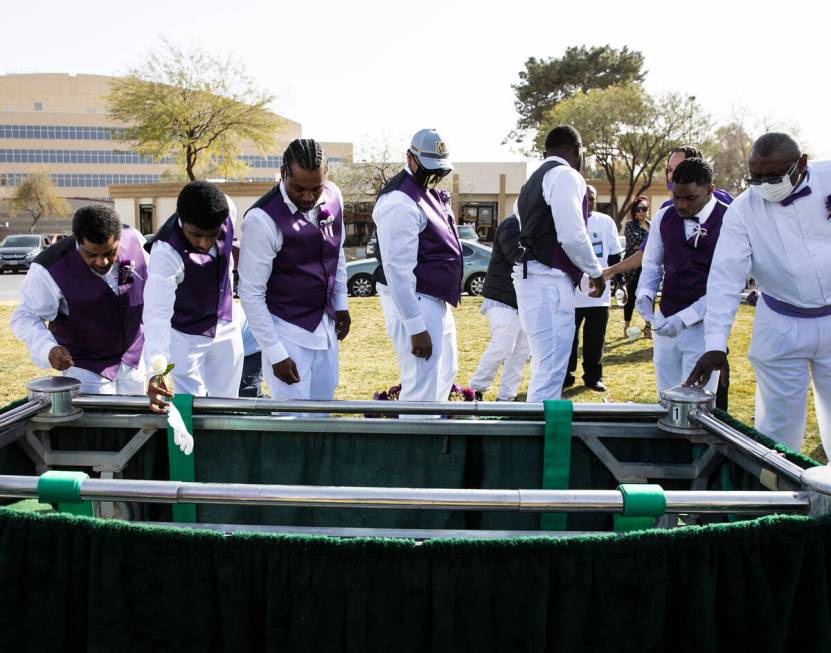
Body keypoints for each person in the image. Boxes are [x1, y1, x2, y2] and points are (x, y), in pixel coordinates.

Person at [687, 133, 831, 455]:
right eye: (756, 176)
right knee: (778, 430)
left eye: (774, 176)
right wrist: (714, 345)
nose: (764, 184)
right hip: (781, 323)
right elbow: (724, 279)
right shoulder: (741, 211)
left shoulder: (828, 177)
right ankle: (778, 495)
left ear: (802, 164)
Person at [238, 138, 350, 401]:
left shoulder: (334, 196)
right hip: (287, 332)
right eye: (299, 189)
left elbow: (338, 251)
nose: (308, 197)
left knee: (324, 411)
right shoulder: (261, 220)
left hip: (325, 327)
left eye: (316, 188)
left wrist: (341, 302)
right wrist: (276, 352)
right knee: (291, 419)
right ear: (283, 172)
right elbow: (251, 293)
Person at [10, 205, 147, 394]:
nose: (102, 262)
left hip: (134, 359)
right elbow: (24, 316)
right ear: (77, 241)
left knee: (135, 419)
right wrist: (47, 348)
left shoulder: (135, 241)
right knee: (99, 421)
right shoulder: (49, 268)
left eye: (110, 253)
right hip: (86, 365)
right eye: (91, 255)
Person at [513, 125, 604, 403]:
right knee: (551, 370)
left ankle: (533, 436)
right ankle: (538, 441)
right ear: (577, 151)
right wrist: (595, 272)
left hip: (532, 277)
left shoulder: (531, 183)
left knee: (544, 366)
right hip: (548, 280)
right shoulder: (565, 175)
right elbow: (572, 235)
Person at [372, 129, 462, 403]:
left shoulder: (425, 191)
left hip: (433, 299)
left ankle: (439, 438)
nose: (434, 179)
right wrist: (415, 326)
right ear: (410, 159)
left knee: (446, 373)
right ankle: (418, 443)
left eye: (440, 173)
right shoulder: (399, 199)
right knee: (422, 383)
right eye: (429, 171)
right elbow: (397, 269)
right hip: (416, 300)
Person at [142, 181, 243, 413]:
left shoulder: (227, 208)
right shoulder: (165, 252)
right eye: (196, 234)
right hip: (183, 336)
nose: (205, 243)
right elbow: (157, 314)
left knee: (229, 406)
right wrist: (156, 371)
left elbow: (227, 265)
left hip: (225, 322)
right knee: (185, 410)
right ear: (182, 219)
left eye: (213, 235)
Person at [637, 157, 725, 395]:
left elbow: (727, 285)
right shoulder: (664, 217)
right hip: (666, 318)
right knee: (665, 396)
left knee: (698, 402)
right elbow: (652, 265)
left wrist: (686, 317)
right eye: (677, 197)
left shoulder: (729, 219)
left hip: (705, 326)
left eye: (690, 198)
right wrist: (644, 295)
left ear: (709, 190)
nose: (681, 205)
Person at [566, 185, 624, 391]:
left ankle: (592, 376)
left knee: (595, 338)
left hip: (599, 294)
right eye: (585, 199)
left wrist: (619, 280)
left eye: (592, 199)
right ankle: (566, 375)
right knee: (569, 337)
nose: (589, 203)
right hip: (572, 292)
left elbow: (615, 254)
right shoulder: (569, 220)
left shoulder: (605, 222)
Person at [468, 214, 529, 401]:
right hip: (502, 297)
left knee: (521, 352)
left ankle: (506, 397)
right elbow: (516, 255)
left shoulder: (535, 224)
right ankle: (475, 390)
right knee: (503, 345)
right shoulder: (512, 224)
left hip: (525, 301)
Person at [621, 196, 651, 338]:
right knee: (631, 298)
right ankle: (626, 327)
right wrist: (647, 244)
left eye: (644, 209)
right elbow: (633, 241)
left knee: (647, 297)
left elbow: (655, 245)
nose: (641, 212)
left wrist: (644, 246)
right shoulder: (629, 225)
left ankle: (648, 327)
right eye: (638, 209)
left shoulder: (652, 226)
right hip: (632, 268)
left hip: (648, 267)